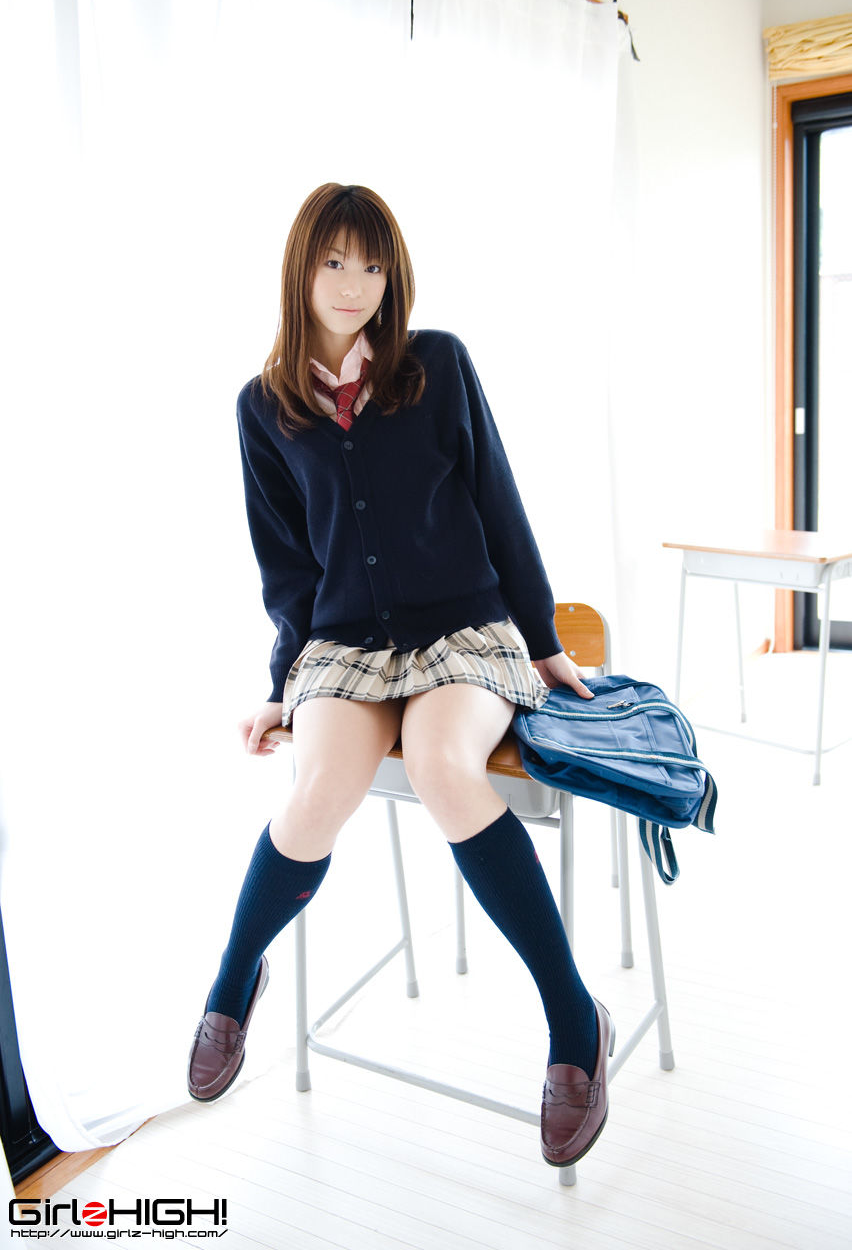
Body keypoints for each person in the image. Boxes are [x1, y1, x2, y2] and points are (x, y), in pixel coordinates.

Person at [187, 182, 613, 1168]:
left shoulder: (438, 366)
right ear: (301, 268)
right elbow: (287, 567)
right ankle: (233, 978)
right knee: (317, 793)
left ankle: (573, 1017)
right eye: (335, 261)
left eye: (373, 265)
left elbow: (500, 503)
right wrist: (282, 681)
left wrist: (542, 638)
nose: (355, 283)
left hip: (463, 630)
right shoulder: (264, 407)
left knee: (443, 767)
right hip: (344, 643)